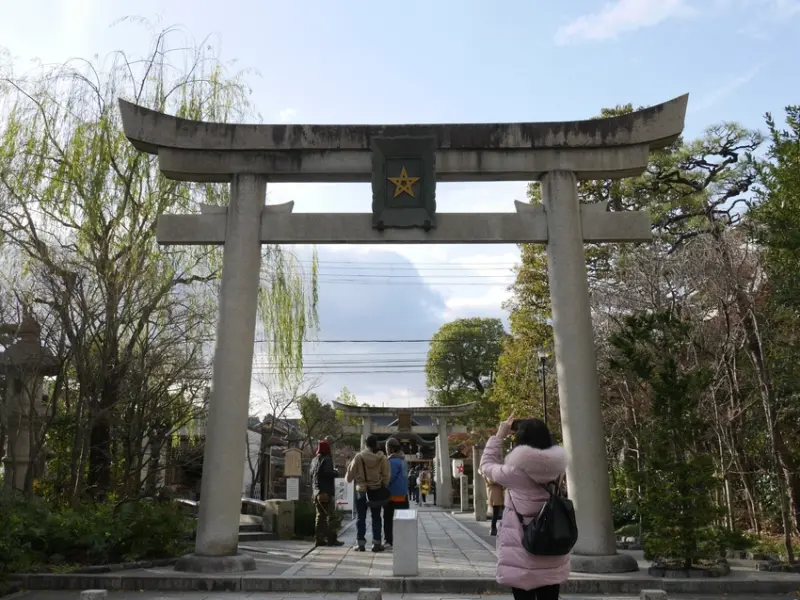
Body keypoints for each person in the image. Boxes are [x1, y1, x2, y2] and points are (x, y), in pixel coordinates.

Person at [479, 415, 569, 600]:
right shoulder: (558, 469)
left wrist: (499, 435)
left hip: (523, 547)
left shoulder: (514, 473)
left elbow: (486, 465)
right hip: (552, 543)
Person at [345, 434, 390, 552]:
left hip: (361, 491)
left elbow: (349, 478)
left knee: (361, 517)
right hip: (376, 490)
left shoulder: (358, 457)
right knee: (376, 517)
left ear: (365, 444)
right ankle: (376, 543)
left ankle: (360, 543)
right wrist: (381, 485)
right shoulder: (382, 458)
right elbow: (386, 477)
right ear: (377, 444)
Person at [309, 439, 344, 547]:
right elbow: (328, 473)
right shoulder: (327, 460)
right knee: (331, 516)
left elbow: (311, 474)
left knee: (319, 516)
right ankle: (332, 539)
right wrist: (336, 472)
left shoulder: (314, 460)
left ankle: (318, 539)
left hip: (316, 493)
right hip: (325, 493)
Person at [384, 438, 410, 547]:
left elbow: (389, 478)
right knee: (402, 521)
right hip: (403, 495)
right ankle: (402, 540)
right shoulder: (403, 460)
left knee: (389, 519)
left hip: (393, 495)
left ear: (389, 448)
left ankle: (389, 540)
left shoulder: (392, 461)